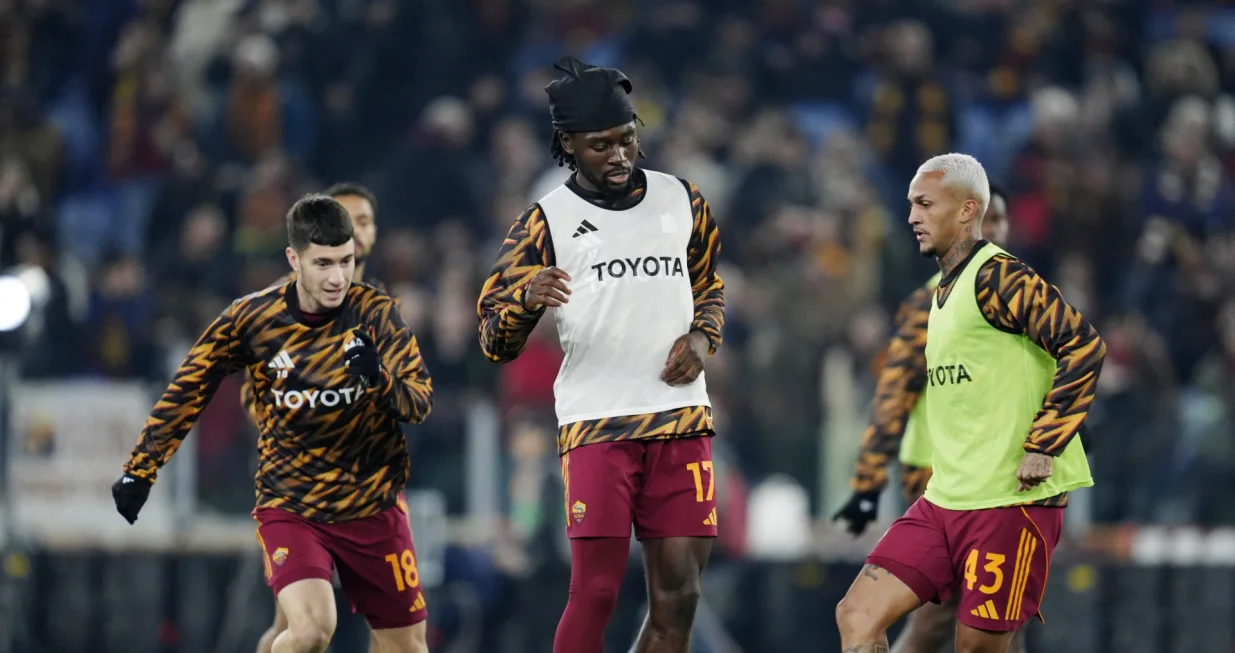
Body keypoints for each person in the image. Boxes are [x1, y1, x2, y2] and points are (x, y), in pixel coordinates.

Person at [111, 195, 434, 653]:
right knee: (310, 631)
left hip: (371, 503)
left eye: (345, 262)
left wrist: (379, 379)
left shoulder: (376, 314)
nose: (337, 277)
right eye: (323, 263)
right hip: (293, 503)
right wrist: (141, 468)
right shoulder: (253, 319)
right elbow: (188, 389)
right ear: (293, 259)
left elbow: (420, 401)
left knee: (407, 648)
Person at [477, 56, 725, 653]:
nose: (617, 156)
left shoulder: (681, 200)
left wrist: (702, 339)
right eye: (599, 146)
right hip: (597, 426)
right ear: (568, 147)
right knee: (596, 594)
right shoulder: (545, 222)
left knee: (680, 595)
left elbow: (710, 286)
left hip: (680, 422)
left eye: (626, 140)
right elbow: (492, 338)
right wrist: (526, 301)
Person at [834, 153, 1105, 653]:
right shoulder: (937, 293)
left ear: (966, 210)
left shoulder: (997, 276)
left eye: (924, 204)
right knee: (856, 614)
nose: (912, 216)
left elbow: (1083, 344)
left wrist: (1045, 442)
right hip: (945, 498)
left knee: (973, 647)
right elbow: (896, 393)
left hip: (1009, 502)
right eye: (911, 204)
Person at [833, 184, 1023, 653]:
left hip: (993, 473)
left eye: (999, 220)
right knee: (945, 617)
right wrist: (868, 482)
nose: (992, 231)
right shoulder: (932, 301)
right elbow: (893, 392)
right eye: (984, 220)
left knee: (991, 616)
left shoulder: (1017, 297)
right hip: (938, 472)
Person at [248, 182, 389, 653]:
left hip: (369, 482)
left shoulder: (381, 303)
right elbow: (255, 393)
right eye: (349, 220)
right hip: (302, 488)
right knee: (299, 623)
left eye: (365, 221)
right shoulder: (283, 305)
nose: (358, 230)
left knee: (392, 624)